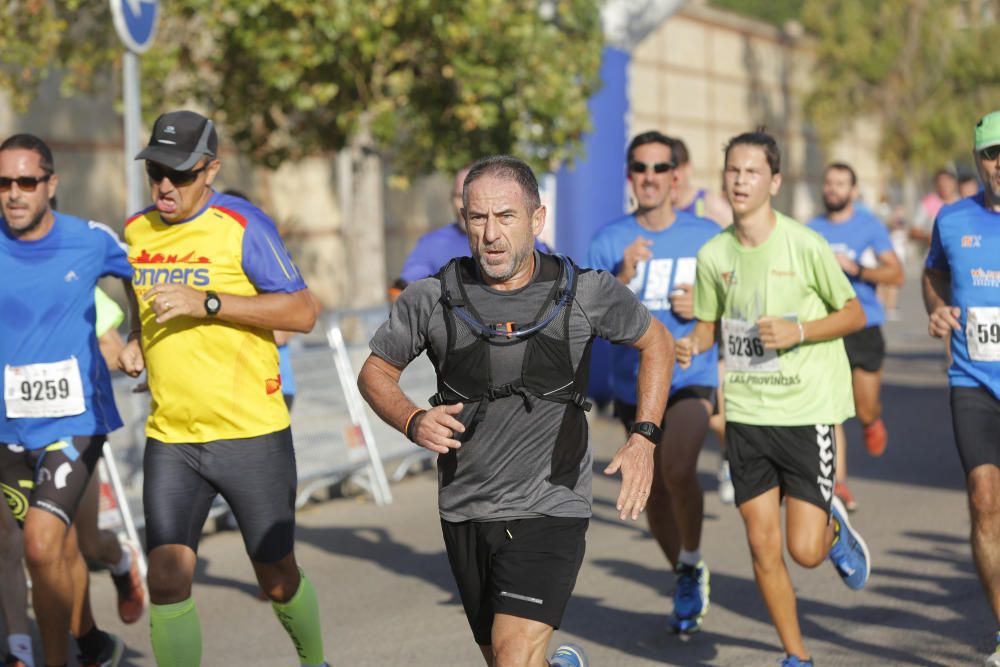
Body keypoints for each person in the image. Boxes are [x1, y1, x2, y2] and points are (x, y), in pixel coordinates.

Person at [358, 155, 673, 667]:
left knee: (511, 656)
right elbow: (374, 373)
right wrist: (412, 419)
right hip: (465, 505)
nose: (491, 234)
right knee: (502, 656)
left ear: (537, 219)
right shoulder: (432, 298)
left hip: (552, 500)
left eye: (505, 216)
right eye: (477, 218)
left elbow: (655, 341)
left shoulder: (584, 292)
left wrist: (644, 436)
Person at [117, 110, 328, 667]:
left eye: (180, 173)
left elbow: (304, 311)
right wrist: (136, 341)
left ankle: (315, 662)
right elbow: (138, 311)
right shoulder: (135, 232)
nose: (165, 185)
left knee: (276, 576)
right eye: (155, 171)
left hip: (250, 435)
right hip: (173, 438)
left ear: (210, 169)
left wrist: (208, 301)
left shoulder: (242, 224)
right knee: (165, 576)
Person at [676, 130, 872, 667]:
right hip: (745, 416)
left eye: (752, 172)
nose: (740, 181)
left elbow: (854, 313)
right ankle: (796, 656)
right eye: (733, 171)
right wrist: (690, 343)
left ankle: (833, 531)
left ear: (775, 182)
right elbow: (708, 324)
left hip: (805, 413)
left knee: (803, 551)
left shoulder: (804, 244)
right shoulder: (714, 253)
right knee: (762, 546)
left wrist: (800, 332)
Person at [0, 133, 128, 667]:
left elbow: (138, 279)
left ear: (50, 184)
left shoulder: (89, 239)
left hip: (73, 420)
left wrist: (142, 340)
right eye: (4, 183)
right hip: (9, 428)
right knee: (47, 550)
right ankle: (89, 644)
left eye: (26, 181)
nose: (13, 193)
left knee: (41, 544)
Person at [587, 130, 719, 633]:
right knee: (655, 490)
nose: (650, 177)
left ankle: (689, 557)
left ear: (676, 176)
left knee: (679, 468)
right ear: (630, 177)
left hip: (690, 374)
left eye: (660, 168)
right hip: (633, 386)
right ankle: (686, 568)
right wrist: (620, 274)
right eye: (640, 168)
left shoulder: (705, 235)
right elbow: (586, 317)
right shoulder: (609, 240)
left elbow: (732, 303)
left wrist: (702, 310)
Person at [923, 109, 1000, 667]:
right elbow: (933, 274)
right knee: (982, 502)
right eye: (992, 153)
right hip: (972, 376)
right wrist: (937, 308)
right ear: (979, 160)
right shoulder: (952, 219)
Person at [808, 163, 904, 510]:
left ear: (853, 190)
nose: (833, 189)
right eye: (829, 182)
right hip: (828, 327)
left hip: (863, 326)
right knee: (830, 409)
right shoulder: (811, 229)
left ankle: (871, 420)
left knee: (863, 407)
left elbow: (896, 274)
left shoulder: (869, 226)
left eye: (841, 184)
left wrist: (858, 269)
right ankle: (840, 484)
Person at [391, 166, 551, 298]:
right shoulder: (432, 244)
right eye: (460, 196)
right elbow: (402, 291)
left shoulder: (521, 239)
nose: (490, 235)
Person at [670, 137, 732, 228]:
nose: (670, 182)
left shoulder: (711, 205)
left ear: (688, 169)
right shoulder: (658, 210)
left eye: (675, 176)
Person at [911, 168, 959, 249]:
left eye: (947, 182)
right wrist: (928, 237)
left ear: (954, 183)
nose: (944, 186)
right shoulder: (928, 203)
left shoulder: (963, 203)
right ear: (936, 185)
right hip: (933, 255)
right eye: (941, 183)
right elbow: (913, 231)